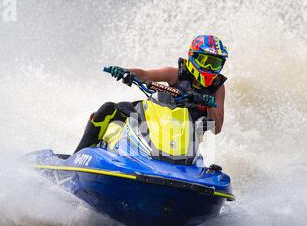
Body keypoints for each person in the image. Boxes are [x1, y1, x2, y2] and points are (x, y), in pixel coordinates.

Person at [74, 35, 229, 153]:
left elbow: (217, 129)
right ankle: (78, 156)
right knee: (107, 109)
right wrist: (124, 72)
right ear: (192, 57)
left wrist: (210, 106)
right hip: (158, 124)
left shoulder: (217, 88)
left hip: (186, 139)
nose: (209, 67)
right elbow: (145, 75)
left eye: (214, 63)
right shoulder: (174, 74)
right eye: (205, 61)